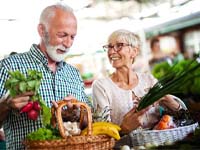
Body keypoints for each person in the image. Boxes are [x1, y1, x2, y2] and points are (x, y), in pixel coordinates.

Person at [0, 3, 91, 150]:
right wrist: (5, 104)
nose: (68, 43)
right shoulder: (8, 67)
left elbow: (90, 122)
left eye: (72, 37)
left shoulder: (73, 74)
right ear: (42, 30)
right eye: (62, 35)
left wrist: (76, 114)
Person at [92, 29, 183, 134]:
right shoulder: (101, 86)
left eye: (119, 45)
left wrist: (167, 99)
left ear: (134, 51)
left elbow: (183, 116)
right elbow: (101, 133)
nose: (112, 51)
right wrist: (123, 129)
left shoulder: (149, 80)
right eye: (109, 47)